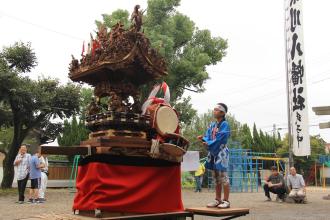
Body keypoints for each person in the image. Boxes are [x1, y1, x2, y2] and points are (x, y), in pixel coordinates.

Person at [198, 103, 231, 208]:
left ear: (222, 112)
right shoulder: (212, 125)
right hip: (212, 153)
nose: (214, 111)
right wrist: (204, 139)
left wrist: (209, 143)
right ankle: (218, 199)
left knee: (223, 177)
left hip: (221, 153)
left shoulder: (225, 124)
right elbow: (208, 136)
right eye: (214, 109)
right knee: (216, 177)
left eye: (216, 110)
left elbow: (222, 138)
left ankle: (226, 201)